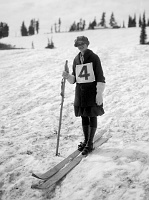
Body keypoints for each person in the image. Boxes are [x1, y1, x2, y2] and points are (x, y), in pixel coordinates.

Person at [62, 36, 105, 156]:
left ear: (87, 44)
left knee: (92, 115)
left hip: (92, 90)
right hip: (80, 92)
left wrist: (99, 93)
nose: (81, 46)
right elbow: (75, 78)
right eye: (78, 44)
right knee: (84, 116)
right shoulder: (76, 59)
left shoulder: (94, 57)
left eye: (83, 43)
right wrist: (67, 76)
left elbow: (100, 76)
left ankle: (90, 143)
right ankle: (86, 140)